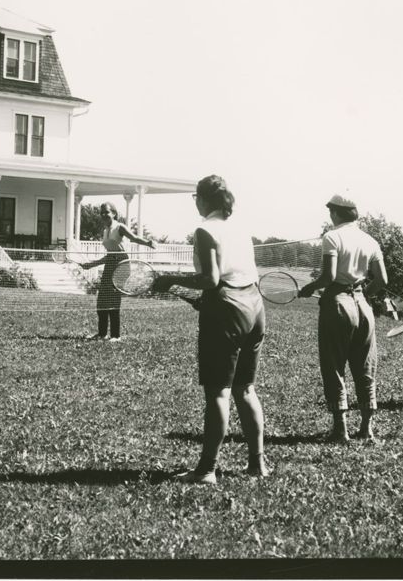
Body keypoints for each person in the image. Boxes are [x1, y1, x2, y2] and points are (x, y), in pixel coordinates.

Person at [151, 174, 270, 482]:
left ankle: (206, 470)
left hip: (227, 308)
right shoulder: (240, 229)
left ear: (203, 200)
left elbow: (211, 280)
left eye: (196, 198)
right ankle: (258, 464)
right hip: (254, 306)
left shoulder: (205, 230)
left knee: (218, 392)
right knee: (246, 389)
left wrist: (170, 279)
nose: (196, 204)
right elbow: (237, 276)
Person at [298, 195, 388, 443]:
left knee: (334, 365)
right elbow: (382, 280)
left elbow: (327, 277)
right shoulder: (370, 240)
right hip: (362, 304)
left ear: (336, 214)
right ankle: (366, 428)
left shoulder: (332, 237)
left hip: (338, 303)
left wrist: (309, 289)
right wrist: (364, 295)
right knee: (365, 366)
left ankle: (341, 430)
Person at [79, 202, 156, 342]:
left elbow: (134, 238)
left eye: (106, 212)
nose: (103, 215)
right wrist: (91, 264)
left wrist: (148, 243)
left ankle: (115, 336)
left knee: (113, 300)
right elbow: (110, 254)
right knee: (102, 300)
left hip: (121, 265)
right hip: (110, 264)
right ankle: (102, 334)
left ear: (113, 213)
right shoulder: (105, 230)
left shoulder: (120, 227)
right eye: (101, 212)